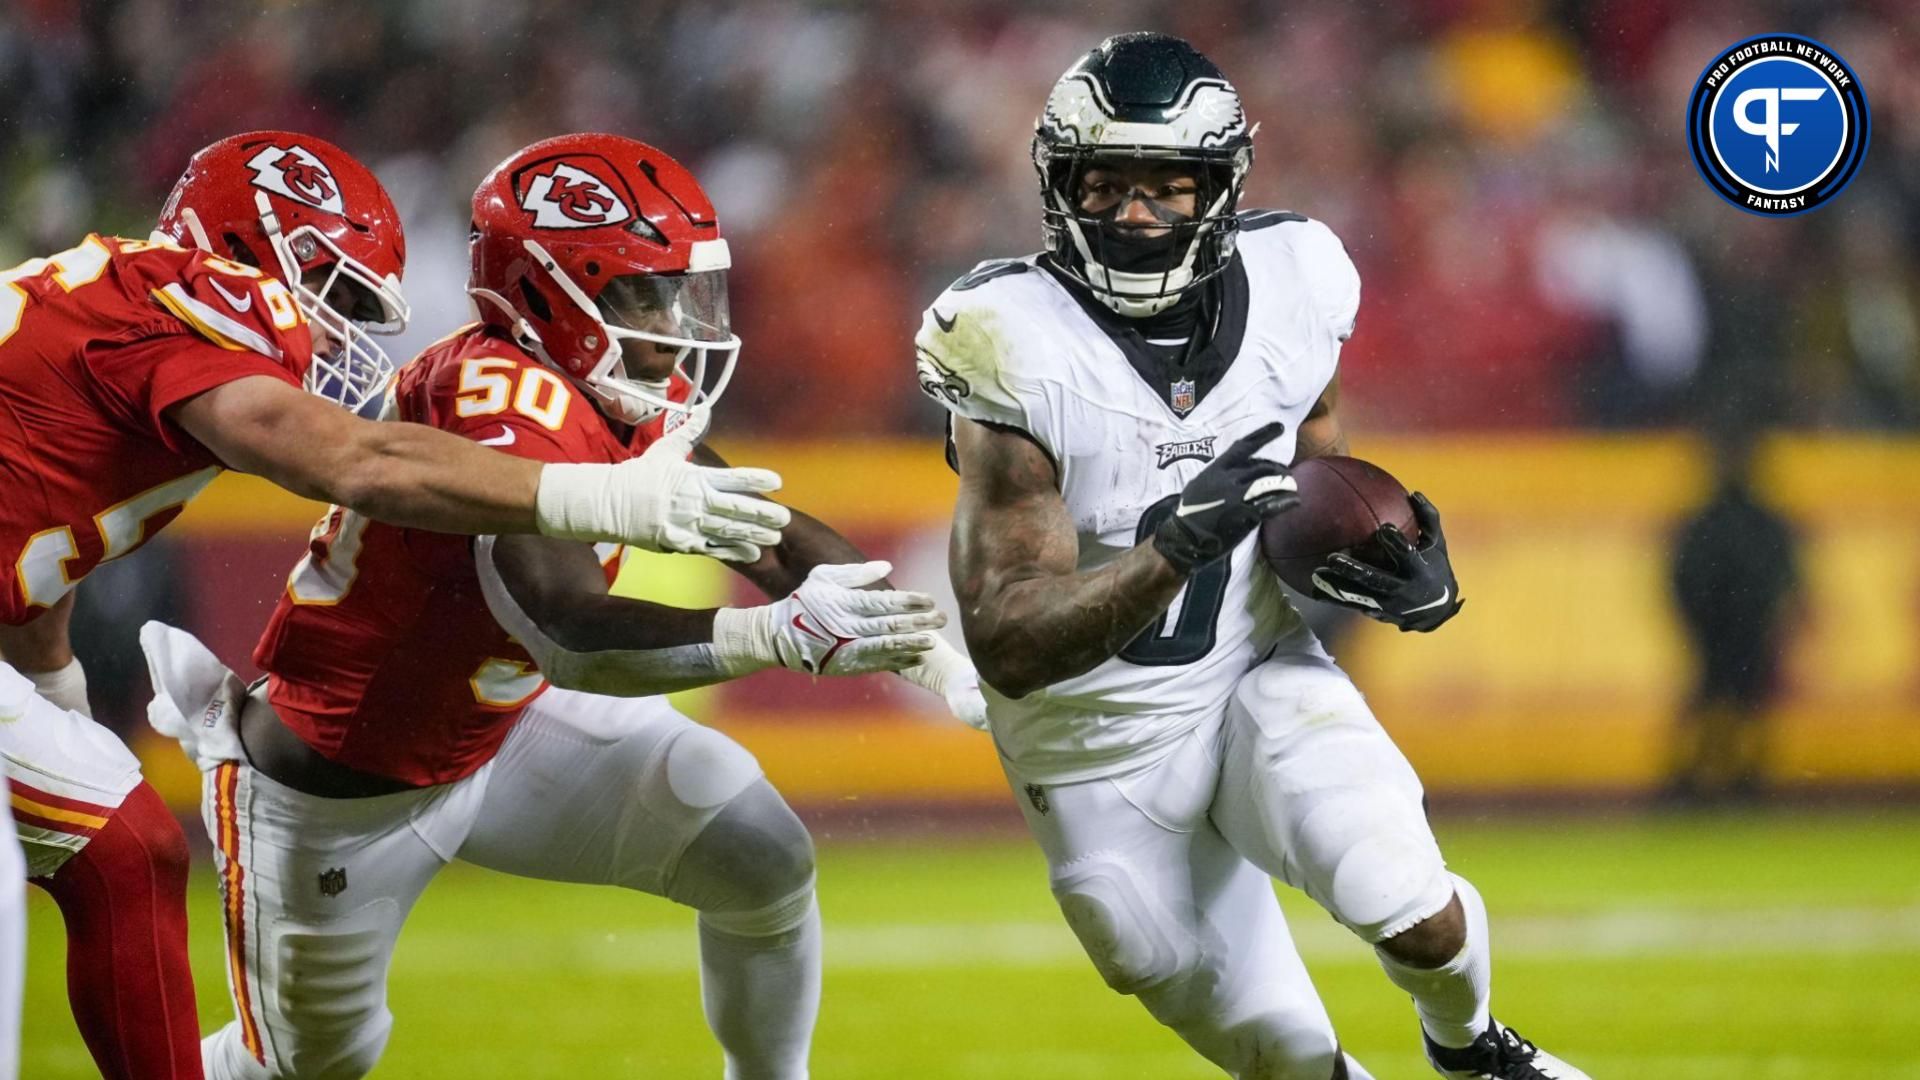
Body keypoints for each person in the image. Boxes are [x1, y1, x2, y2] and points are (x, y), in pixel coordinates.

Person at [145, 132, 982, 1080]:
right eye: (643, 290)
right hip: (339, 787)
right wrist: (767, 637)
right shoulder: (496, 394)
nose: (673, 318)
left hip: (495, 730)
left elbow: (769, 530)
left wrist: (927, 648)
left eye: (679, 287)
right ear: (548, 291)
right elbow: (565, 629)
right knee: (300, 1066)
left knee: (759, 854)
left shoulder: (610, 384)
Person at [0, 130, 790, 1080]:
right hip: (336, 770)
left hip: (463, 744)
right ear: (247, 252)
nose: (337, 333)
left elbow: (36, 547)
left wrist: (58, 702)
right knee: (124, 851)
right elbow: (354, 461)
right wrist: (605, 498)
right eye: (330, 291)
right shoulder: (193, 298)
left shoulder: (108, 299)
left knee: (108, 862)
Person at [917, 33, 1588, 1080]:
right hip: (1092, 748)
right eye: (1107, 185)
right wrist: (1179, 544)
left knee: (1410, 907)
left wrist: (1374, 555)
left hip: (1249, 671)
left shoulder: (1298, 280)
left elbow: (1309, 466)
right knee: (1278, 1052)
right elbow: (1007, 640)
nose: (1136, 216)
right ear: (1060, 184)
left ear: (1220, 188)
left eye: (1168, 188)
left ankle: (1474, 1051)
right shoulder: (1010, 341)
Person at [1666, 422, 1801, 802]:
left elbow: (1682, 575)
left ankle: (1713, 777)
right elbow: (1783, 571)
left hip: (1732, 626)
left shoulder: (1714, 519)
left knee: (1728, 701)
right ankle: (1726, 777)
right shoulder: (1749, 519)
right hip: (1732, 626)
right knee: (1733, 701)